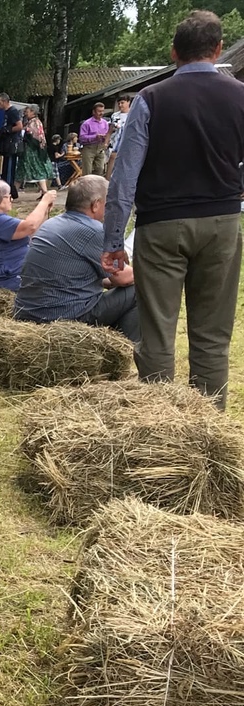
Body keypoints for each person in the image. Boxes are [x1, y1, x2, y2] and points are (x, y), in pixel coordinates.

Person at [103, 9, 244, 410]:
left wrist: (114, 239)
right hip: (221, 223)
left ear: (173, 53)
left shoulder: (149, 100)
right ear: (218, 49)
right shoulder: (240, 96)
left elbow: (124, 178)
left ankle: (161, 429)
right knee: (213, 336)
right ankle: (209, 431)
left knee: (157, 333)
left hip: (160, 225)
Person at [13, 175, 139, 342]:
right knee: (141, 290)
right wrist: (153, 270)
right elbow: (124, 277)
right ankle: (125, 348)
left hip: (29, 313)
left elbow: (69, 276)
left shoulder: (51, 225)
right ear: (96, 205)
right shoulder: (94, 230)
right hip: (64, 317)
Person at [0, 180, 56, 290]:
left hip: (8, 276)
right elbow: (30, 226)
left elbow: (30, 232)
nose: (11, 199)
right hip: (3, 279)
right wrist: (44, 201)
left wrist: (45, 211)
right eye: (8, 196)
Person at [0, 94, 23, 200]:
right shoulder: (7, 113)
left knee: (9, 171)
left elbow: (19, 126)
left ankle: (10, 193)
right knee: (5, 169)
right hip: (5, 145)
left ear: (5, 101)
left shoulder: (13, 111)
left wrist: (8, 130)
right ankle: (10, 192)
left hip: (11, 145)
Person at [19, 106, 51, 198]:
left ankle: (45, 192)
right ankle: (13, 192)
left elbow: (36, 137)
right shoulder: (34, 122)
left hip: (33, 150)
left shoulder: (34, 122)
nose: (25, 113)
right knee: (25, 170)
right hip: (33, 149)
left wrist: (26, 132)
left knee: (37, 169)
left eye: (27, 111)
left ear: (33, 112)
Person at [78, 102, 110, 178]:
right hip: (89, 148)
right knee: (87, 170)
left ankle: (95, 186)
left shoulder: (105, 123)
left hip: (100, 147)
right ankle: (86, 188)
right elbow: (82, 137)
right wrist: (95, 136)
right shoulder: (87, 123)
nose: (101, 113)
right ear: (94, 112)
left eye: (102, 111)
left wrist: (106, 139)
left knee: (100, 169)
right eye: (99, 111)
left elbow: (108, 134)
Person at [105, 95, 132, 179]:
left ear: (128, 102)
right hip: (115, 141)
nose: (120, 105)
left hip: (128, 141)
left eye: (122, 103)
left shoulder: (133, 114)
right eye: (119, 103)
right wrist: (106, 141)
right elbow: (110, 130)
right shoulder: (115, 115)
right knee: (112, 160)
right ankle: (108, 180)